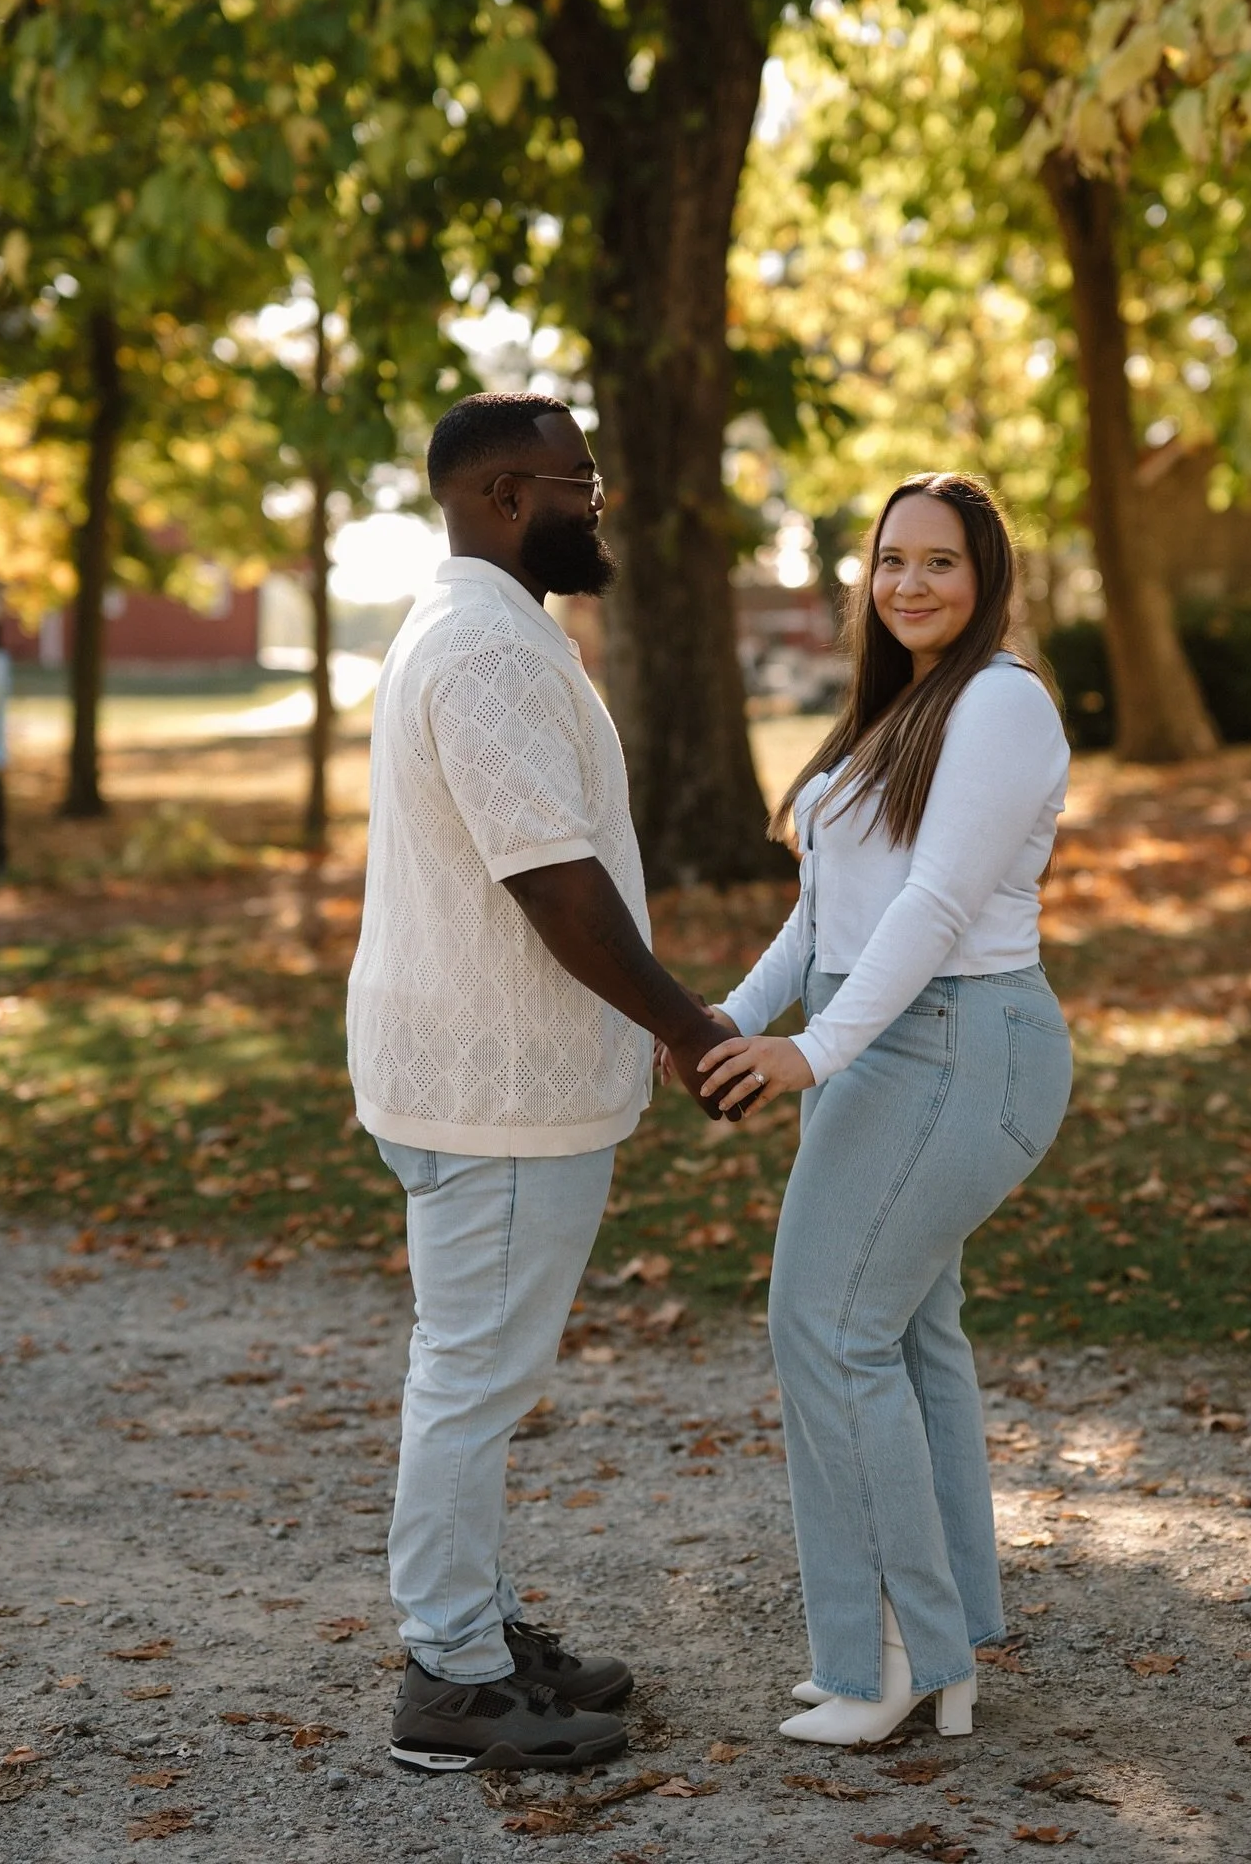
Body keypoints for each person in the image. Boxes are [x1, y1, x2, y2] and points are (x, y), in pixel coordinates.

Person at [346, 391, 734, 1774]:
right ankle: (451, 1677)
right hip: (497, 1088)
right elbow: (553, 885)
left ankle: (477, 1629)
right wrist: (685, 1028)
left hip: (471, 1069)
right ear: (509, 497)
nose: (597, 502)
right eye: (582, 484)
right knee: (473, 1379)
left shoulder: (478, 626)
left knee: (473, 1370)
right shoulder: (490, 649)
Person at [690, 471, 1073, 1746]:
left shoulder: (1002, 703)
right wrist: (728, 1021)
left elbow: (939, 907)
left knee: (828, 1324)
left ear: (988, 577)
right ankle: (941, 1648)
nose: (910, 583)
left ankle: (892, 1659)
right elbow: (825, 918)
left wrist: (815, 1052)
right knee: (906, 1335)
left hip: (962, 1042)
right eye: (892, 560)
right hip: (888, 1039)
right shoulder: (897, 711)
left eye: (940, 562)